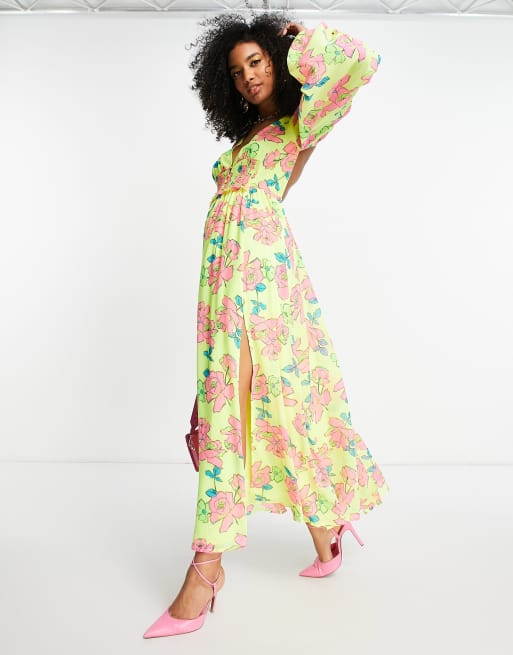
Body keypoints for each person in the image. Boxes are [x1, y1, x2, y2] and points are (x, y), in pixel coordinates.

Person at [143, 12, 389, 639]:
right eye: (236, 71)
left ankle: (206, 570)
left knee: (234, 406)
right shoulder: (249, 135)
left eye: (256, 62)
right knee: (268, 400)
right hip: (223, 280)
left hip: (261, 277)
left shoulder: (301, 123)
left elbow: (360, 58)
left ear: (275, 63)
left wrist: (297, 36)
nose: (248, 76)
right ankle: (327, 530)